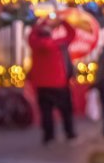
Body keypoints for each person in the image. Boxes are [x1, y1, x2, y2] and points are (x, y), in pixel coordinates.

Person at [28, 16, 78, 145]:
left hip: (41, 84)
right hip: (59, 84)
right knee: (66, 111)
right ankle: (69, 133)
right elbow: (72, 34)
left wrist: (40, 24)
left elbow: (31, 35)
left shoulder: (34, 44)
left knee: (46, 113)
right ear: (50, 33)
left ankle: (48, 137)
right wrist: (62, 21)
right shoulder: (58, 44)